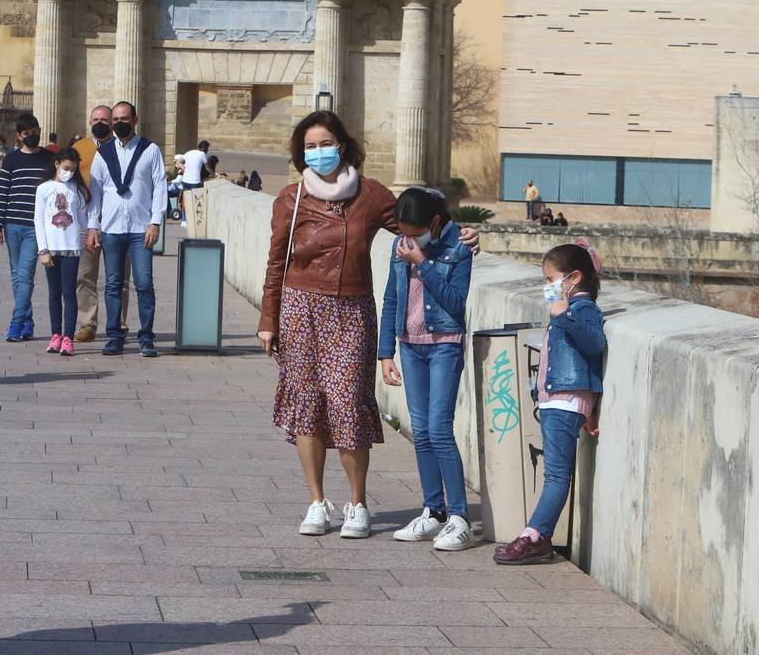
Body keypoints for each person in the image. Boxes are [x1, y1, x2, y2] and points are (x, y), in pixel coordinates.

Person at [258, 111, 480, 540]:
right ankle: (317, 502)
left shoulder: (371, 195)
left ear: (342, 144)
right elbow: (275, 263)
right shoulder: (290, 199)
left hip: (352, 309)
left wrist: (461, 236)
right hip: (299, 306)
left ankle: (358, 503)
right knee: (306, 406)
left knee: (348, 403)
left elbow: (421, 223)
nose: (317, 152)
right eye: (309, 146)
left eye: (324, 143)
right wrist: (269, 319)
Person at [494, 240, 605, 566]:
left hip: (565, 400)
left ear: (573, 278)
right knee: (554, 474)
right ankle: (535, 536)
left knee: (556, 476)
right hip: (559, 400)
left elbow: (594, 345)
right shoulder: (571, 308)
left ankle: (535, 537)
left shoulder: (581, 309)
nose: (547, 287)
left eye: (550, 280)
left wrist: (564, 314)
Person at [379, 187, 476, 552]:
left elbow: (455, 303)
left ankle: (460, 518)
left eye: (414, 232)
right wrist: (385, 352)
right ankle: (433, 510)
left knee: (438, 429)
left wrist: (423, 262)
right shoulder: (399, 245)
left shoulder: (459, 247)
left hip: (444, 344)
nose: (407, 239)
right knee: (420, 432)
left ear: (434, 222)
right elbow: (391, 298)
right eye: (402, 232)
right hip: (410, 345)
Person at [86, 101, 166, 358]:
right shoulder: (103, 154)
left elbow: (160, 186)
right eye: (116, 119)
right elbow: (96, 193)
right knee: (112, 284)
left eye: (124, 118)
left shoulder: (150, 150)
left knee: (143, 283)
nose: (119, 123)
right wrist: (92, 226)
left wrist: (155, 222)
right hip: (111, 228)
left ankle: (146, 337)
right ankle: (115, 336)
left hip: (140, 228)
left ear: (135, 120)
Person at [0, 114, 52, 342]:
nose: (32, 136)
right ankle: (28, 321)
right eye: (26, 133)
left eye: (34, 131)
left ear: (39, 129)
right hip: (12, 224)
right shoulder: (11, 160)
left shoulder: (50, 159)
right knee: (17, 276)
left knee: (25, 275)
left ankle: (16, 323)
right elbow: (2, 194)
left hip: (36, 226)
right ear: (19, 136)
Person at [73, 104, 130, 343]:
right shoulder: (78, 149)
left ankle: (119, 322)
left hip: (119, 221)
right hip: (87, 221)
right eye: (96, 119)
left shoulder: (123, 148)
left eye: (106, 120)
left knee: (119, 277)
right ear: (89, 121)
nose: (100, 123)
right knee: (85, 275)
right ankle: (87, 323)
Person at [35, 147, 90, 357]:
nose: (69, 172)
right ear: (57, 164)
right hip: (51, 246)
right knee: (53, 292)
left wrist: (91, 236)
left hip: (71, 248)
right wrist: (43, 249)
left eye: (73, 170)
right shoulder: (44, 188)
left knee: (69, 292)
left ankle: (68, 336)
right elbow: (38, 220)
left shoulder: (77, 190)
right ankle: (55, 334)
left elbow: (83, 219)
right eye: (66, 168)